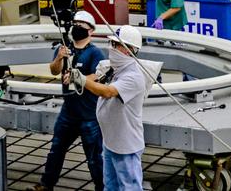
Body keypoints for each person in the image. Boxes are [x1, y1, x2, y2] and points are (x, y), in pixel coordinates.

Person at [33, 10, 104, 191]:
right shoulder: (64, 48)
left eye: (81, 25)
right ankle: (46, 184)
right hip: (68, 112)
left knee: (94, 157)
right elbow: (54, 70)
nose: (76, 27)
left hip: (89, 114)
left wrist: (77, 78)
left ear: (91, 30)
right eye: (75, 24)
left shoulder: (95, 53)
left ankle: (102, 187)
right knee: (56, 149)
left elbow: (99, 76)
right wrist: (59, 57)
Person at [83, 24, 149, 191]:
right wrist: (77, 77)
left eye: (116, 44)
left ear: (129, 50)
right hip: (111, 140)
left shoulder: (133, 76)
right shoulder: (117, 69)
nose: (111, 48)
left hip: (126, 145)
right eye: (112, 44)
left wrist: (82, 81)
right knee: (110, 186)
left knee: (130, 187)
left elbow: (107, 92)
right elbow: (97, 79)